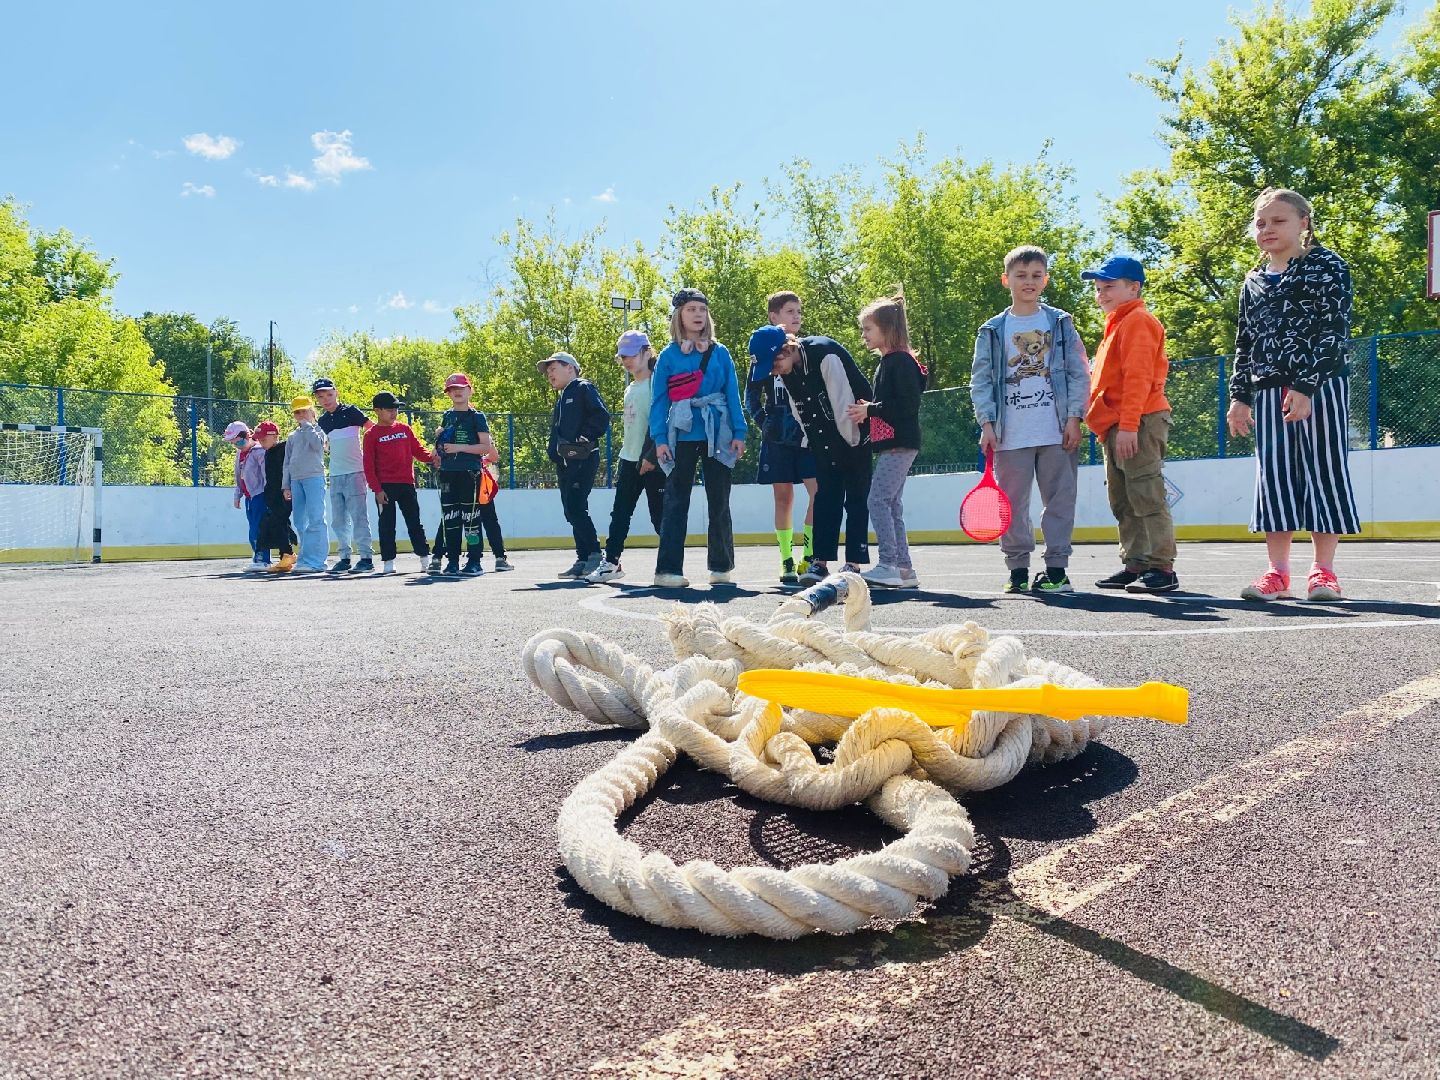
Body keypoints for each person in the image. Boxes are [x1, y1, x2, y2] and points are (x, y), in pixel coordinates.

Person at [1227, 188, 1359, 602]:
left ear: (1304, 223)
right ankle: (1277, 573)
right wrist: (1240, 397)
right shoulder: (1253, 281)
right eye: (1261, 222)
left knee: (1324, 471)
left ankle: (1323, 572)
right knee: (1276, 478)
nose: (1267, 229)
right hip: (1267, 391)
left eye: (1278, 220)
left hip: (1320, 387)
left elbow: (1333, 331)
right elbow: (1246, 342)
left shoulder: (1326, 266)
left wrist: (1305, 387)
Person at [971, 245, 1091, 594]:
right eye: (1021, 275)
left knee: (1060, 500)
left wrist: (1074, 417)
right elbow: (981, 379)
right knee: (1011, 505)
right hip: (1010, 434)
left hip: (1056, 431)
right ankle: (1018, 571)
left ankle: (1056, 571)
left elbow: (1077, 371)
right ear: (1006, 279)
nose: (1029, 281)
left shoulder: (1060, 322)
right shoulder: (992, 330)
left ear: (1046, 279)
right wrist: (987, 423)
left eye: (1037, 275)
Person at [1082, 255, 1179, 594]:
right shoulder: (1116, 324)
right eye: (1097, 288)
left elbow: (1138, 378)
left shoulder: (1138, 321)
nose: (1100, 294)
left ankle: (1161, 566)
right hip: (1117, 423)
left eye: (1108, 286)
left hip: (1138, 420)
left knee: (1146, 491)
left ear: (1133, 287)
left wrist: (1128, 424)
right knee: (1122, 497)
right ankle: (1136, 561)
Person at [748, 326, 873, 585]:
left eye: (774, 364)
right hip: (822, 437)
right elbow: (798, 408)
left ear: (787, 349)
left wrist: (850, 444)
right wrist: (809, 440)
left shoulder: (824, 355)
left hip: (854, 432)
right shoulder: (789, 370)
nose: (773, 372)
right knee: (826, 497)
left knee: (856, 497)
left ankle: (853, 562)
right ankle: (820, 562)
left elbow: (842, 402)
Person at [650, 288, 747, 589]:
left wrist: (740, 432)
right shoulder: (667, 355)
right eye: (691, 309)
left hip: (717, 433)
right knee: (676, 502)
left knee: (719, 501)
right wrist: (659, 438)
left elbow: (732, 394)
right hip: (680, 434)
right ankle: (667, 570)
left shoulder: (720, 352)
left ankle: (721, 566)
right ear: (679, 315)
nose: (697, 315)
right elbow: (659, 401)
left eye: (702, 310)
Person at [845, 295, 925, 589]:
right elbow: (893, 403)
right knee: (891, 504)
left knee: (877, 500)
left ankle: (888, 564)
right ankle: (904, 569)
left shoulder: (900, 362)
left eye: (867, 329)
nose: (863, 335)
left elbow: (906, 405)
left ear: (886, 330)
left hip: (899, 443)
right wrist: (871, 408)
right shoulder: (891, 362)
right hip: (895, 443)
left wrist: (871, 409)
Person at [748, 291, 818, 584]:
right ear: (773, 317)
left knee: (818, 491)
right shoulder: (763, 351)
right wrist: (765, 422)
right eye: (790, 311)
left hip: (808, 435)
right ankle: (786, 559)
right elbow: (750, 396)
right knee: (783, 496)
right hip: (778, 437)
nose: (796, 316)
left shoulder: (807, 350)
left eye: (799, 311)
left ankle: (811, 556)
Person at [588, 330, 664, 583]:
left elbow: (662, 420)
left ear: (646, 352)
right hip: (628, 458)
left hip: (654, 460)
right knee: (620, 513)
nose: (626, 361)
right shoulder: (631, 387)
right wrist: (630, 456)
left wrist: (651, 456)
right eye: (623, 356)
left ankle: (669, 563)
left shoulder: (657, 382)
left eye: (631, 355)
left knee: (659, 515)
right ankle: (611, 563)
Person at [541, 350, 610, 579]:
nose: (549, 374)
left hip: (583, 458)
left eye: (553, 368)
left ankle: (594, 555)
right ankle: (582, 559)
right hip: (565, 461)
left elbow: (601, 415)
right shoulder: (563, 397)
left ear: (570, 367)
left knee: (576, 506)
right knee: (570, 509)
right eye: (548, 371)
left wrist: (586, 436)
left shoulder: (582, 388)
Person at [362, 391, 434, 575]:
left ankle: (425, 558)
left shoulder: (404, 429)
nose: (394, 412)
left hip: (406, 484)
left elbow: (418, 451)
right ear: (377, 410)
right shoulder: (371, 435)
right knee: (386, 524)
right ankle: (388, 561)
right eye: (389, 409)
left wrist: (434, 458)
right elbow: (368, 466)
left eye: (396, 409)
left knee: (414, 522)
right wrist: (377, 490)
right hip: (384, 486)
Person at [432, 373, 495, 577]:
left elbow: (485, 447)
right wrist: (438, 445)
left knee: (471, 518)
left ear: (470, 390)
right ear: (448, 393)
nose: (457, 391)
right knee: (450, 519)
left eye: (461, 387)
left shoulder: (477, 416)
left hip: (470, 472)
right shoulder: (447, 416)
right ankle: (452, 561)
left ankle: (474, 561)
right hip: (448, 473)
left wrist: (458, 447)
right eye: (452, 389)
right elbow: (441, 447)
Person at [311, 377, 374, 574]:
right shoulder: (322, 421)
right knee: (338, 520)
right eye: (321, 397)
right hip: (336, 474)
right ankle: (344, 557)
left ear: (336, 392)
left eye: (329, 394)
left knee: (359, 517)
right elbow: (324, 445)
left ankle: (366, 558)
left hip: (356, 472)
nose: (326, 399)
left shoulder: (351, 412)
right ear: (317, 399)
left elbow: (371, 428)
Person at [282, 397, 329, 574]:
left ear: (312, 411)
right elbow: (287, 462)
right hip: (296, 480)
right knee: (300, 521)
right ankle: (305, 558)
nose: (300, 415)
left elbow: (318, 447)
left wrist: (309, 426)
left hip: (314, 478)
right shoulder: (292, 436)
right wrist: (285, 485)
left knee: (316, 518)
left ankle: (317, 561)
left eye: (304, 410)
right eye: (297, 412)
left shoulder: (319, 431)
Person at [223, 421, 269, 573]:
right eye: (234, 443)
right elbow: (238, 477)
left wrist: (270, 492)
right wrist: (238, 495)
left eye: (240, 441)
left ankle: (263, 559)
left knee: (259, 527)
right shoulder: (240, 454)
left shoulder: (259, 451)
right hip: (249, 497)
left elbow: (265, 474)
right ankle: (257, 556)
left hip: (260, 495)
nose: (237, 445)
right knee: (252, 528)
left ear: (248, 435)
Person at [253, 421, 296, 573]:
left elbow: (286, 472)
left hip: (283, 493)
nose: (260, 442)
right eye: (259, 439)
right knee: (275, 524)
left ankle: (288, 553)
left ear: (275, 436)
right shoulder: (268, 452)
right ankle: (285, 556)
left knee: (277, 523)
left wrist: (287, 489)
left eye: (263, 439)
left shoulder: (283, 449)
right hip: (273, 495)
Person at [476, 447, 513, 572]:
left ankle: (476, 560)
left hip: (479, 488)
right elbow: (493, 456)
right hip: (479, 488)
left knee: (483, 523)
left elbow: (493, 456)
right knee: (489, 523)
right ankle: (498, 558)